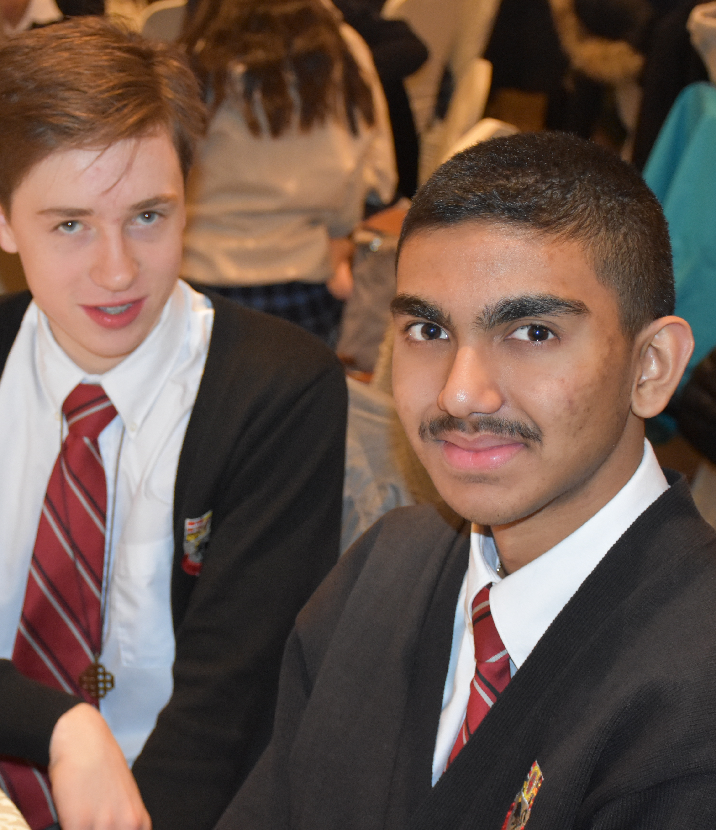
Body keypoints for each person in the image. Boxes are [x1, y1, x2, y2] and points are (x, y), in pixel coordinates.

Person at [0, 19, 347, 830]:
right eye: (70, 224)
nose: (117, 271)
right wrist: (56, 724)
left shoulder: (280, 393)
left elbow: (234, 706)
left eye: (148, 216)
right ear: (1, 222)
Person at [220, 132, 716, 827]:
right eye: (428, 329)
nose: (461, 394)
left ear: (652, 366)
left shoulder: (693, 692)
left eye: (533, 332)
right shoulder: (385, 566)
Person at [176, 0, 399, 341]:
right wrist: (341, 234)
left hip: (196, 277)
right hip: (301, 290)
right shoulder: (343, 49)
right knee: (293, 393)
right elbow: (379, 176)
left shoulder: (197, 51)